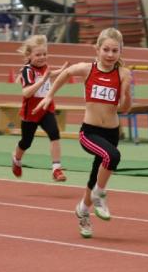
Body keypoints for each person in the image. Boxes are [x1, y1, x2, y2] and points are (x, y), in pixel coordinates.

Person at [34, 27, 132, 238]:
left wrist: (125, 94)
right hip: (89, 133)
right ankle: (99, 195)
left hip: (112, 133)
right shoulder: (88, 69)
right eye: (106, 50)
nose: (110, 55)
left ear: (120, 52)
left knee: (95, 176)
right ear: (97, 49)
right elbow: (66, 73)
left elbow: (124, 108)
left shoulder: (123, 74)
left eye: (115, 51)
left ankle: (83, 210)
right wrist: (50, 95)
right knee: (113, 156)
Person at [11, 34, 68, 182]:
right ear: (29, 55)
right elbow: (26, 92)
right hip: (31, 112)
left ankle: (56, 169)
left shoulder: (44, 67)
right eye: (38, 55)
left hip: (46, 108)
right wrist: (42, 80)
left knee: (54, 134)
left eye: (44, 54)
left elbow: (49, 74)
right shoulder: (27, 71)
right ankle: (16, 159)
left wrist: (62, 71)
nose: (42, 57)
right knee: (26, 142)